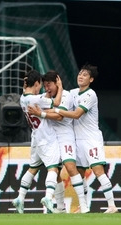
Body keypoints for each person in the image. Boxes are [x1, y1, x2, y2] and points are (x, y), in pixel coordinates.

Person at [39, 64, 118, 213]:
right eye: (80, 74)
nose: (80, 76)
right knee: (79, 174)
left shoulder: (90, 95)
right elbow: (60, 99)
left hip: (91, 139)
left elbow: (76, 114)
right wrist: (59, 87)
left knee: (97, 170)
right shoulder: (73, 92)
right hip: (77, 140)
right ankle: (84, 206)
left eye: (85, 75)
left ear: (91, 79)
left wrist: (56, 110)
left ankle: (112, 205)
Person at [27, 70, 90, 213]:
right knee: (54, 173)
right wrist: (46, 112)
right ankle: (61, 208)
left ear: (57, 83)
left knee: (70, 167)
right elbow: (48, 112)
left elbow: (59, 116)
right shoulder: (43, 97)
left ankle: (83, 204)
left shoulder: (66, 95)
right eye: (45, 85)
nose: (47, 88)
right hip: (51, 138)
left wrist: (41, 113)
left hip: (65, 137)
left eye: (49, 84)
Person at [11, 70, 61, 214]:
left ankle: (20, 198)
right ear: (37, 83)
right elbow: (56, 102)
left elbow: (37, 95)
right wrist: (60, 86)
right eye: (40, 84)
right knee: (53, 169)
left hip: (35, 137)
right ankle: (48, 198)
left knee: (33, 168)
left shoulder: (22, 98)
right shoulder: (36, 99)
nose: (42, 88)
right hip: (46, 138)